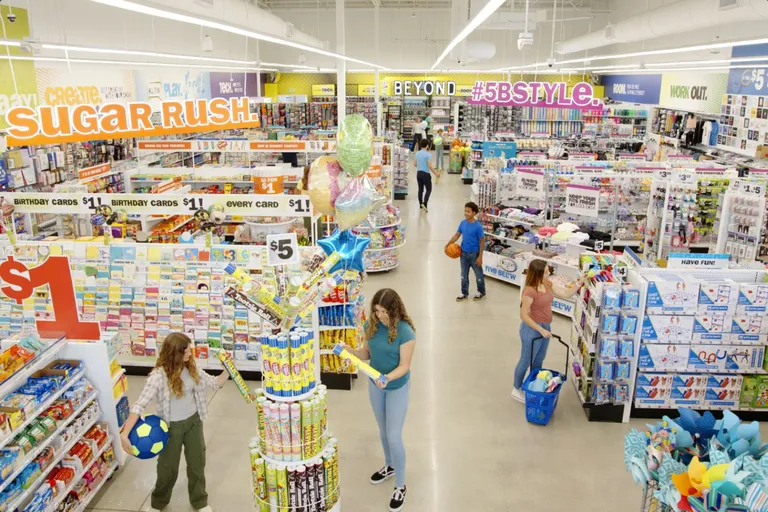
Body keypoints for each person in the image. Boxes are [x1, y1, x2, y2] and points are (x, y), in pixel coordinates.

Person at [121, 332, 229, 512]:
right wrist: (125, 433)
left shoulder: (191, 369)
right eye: (186, 350)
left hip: (194, 423)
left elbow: (214, 383)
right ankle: (158, 503)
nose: (190, 353)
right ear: (176, 353)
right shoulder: (158, 377)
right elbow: (139, 405)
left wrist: (228, 370)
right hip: (170, 428)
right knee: (167, 468)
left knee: (197, 463)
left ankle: (200, 501)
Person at [343, 289, 416, 512]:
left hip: (396, 387)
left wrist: (388, 378)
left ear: (394, 310)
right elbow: (368, 353)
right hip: (376, 385)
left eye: (384, 311)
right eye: (376, 310)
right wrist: (352, 352)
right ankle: (389, 465)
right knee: (383, 431)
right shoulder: (371, 325)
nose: (380, 315)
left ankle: (400, 486)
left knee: (394, 436)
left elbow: (404, 366)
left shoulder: (405, 331)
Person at [510, 260, 585, 403]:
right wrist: (540, 330)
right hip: (531, 330)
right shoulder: (529, 291)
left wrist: (579, 282)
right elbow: (524, 315)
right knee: (526, 360)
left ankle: (534, 384)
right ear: (538, 274)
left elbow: (565, 293)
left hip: (545, 328)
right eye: (545, 272)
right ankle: (516, 388)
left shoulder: (548, 284)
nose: (549, 273)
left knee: (538, 359)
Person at [444, 201, 486, 301]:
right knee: (463, 275)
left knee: (478, 274)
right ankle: (464, 293)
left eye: (469, 211)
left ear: (474, 213)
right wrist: (448, 244)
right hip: (463, 254)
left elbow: (482, 242)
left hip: (474, 254)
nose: (466, 213)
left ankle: (481, 291)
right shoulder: (463, 223)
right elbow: (457, 235)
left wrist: (480, 257)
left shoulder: (478, 227)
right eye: (465, 211)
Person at [415, 139, 438, 212]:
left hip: (418, 173)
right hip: (426, 174)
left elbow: (415, 164)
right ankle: (425, 204)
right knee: (428, 189)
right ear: (427, 145)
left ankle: (420, 204)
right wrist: (436, 173)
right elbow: (430, 166)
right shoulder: (428, 154)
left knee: (420, 189)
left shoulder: (417, 153)